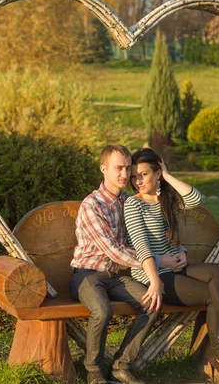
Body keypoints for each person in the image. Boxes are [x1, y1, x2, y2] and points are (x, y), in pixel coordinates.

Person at [124, 148, 219, 384]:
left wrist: (166, 176)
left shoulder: (166, 199)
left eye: (144, 174)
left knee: (217, 272)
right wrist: (157, 275)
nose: (138, 181)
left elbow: (195, 199)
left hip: (176, 267)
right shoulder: (133, 205)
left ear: (157, 173)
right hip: (152, 275)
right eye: (134, 176)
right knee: (213, 296)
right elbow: (141, 247)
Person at [70, 144, 178, 384]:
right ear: (103, 169)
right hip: (87, 276)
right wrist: (157, 262)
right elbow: (113, 250)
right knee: (102, 310)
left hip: (115, 277)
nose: (124, 174)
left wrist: (174, 252)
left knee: (151, 303)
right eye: (118, 168)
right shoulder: (92, 205)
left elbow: (147, 236)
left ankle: (121, 366)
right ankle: (94, 372)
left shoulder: (129, 201)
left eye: (127, 168)